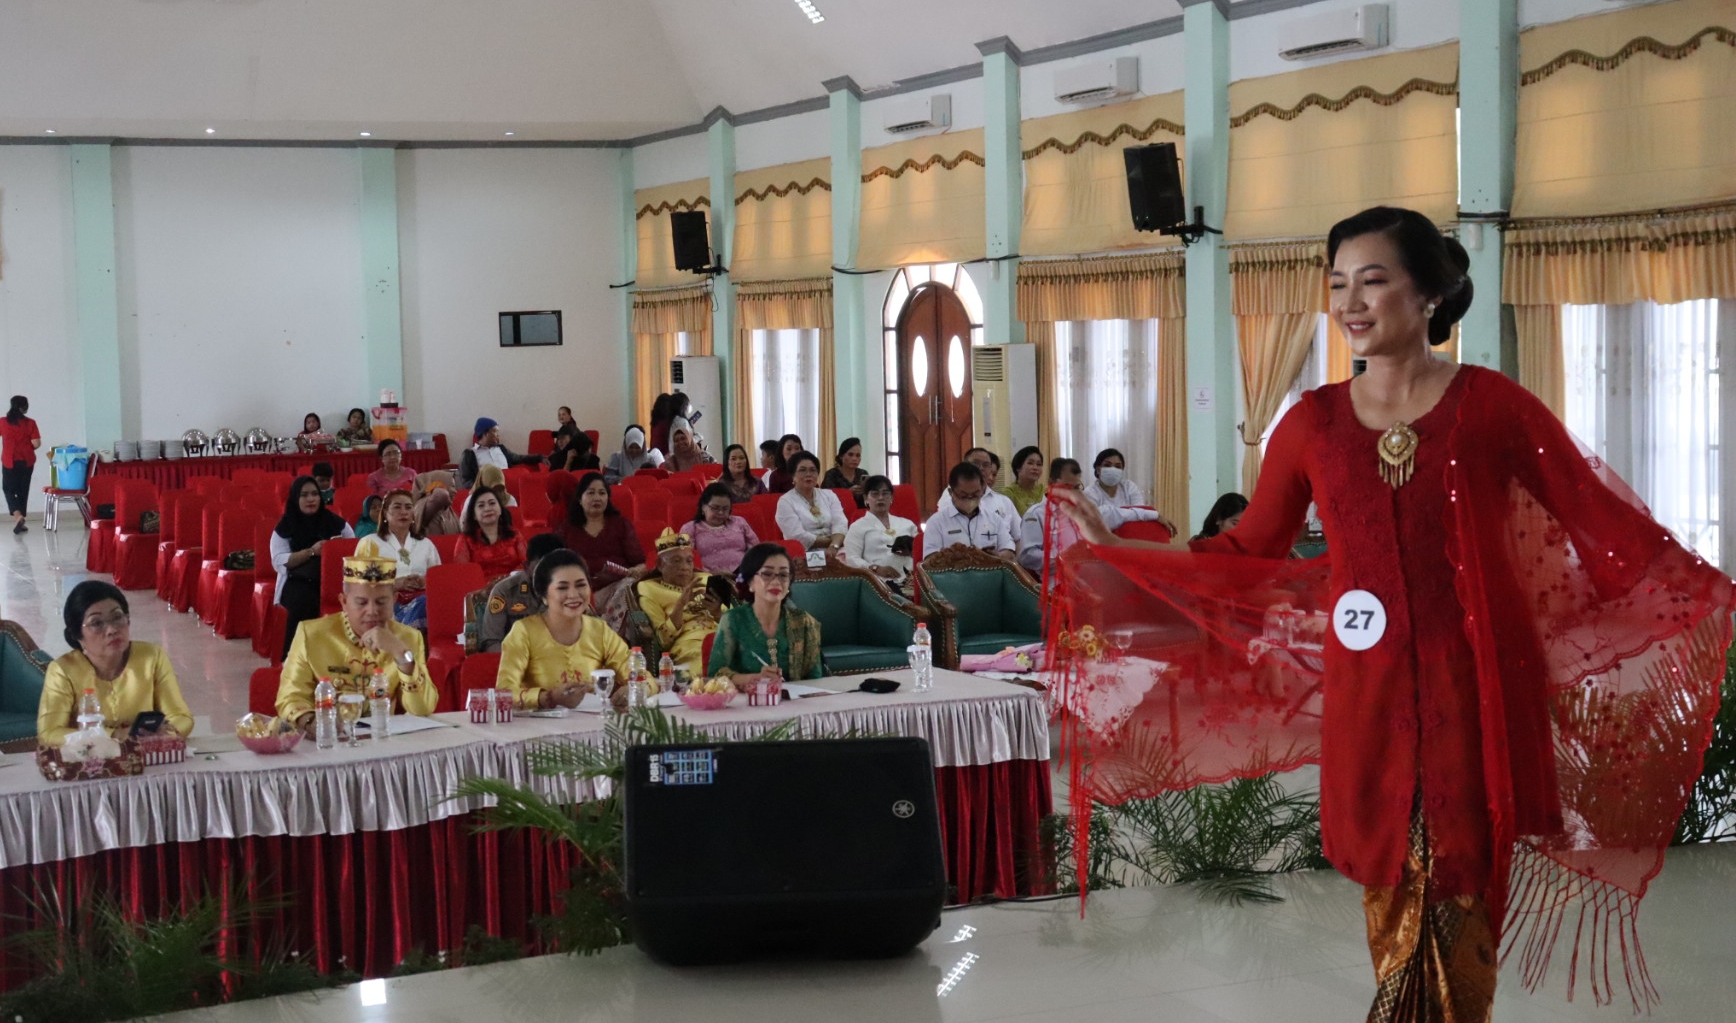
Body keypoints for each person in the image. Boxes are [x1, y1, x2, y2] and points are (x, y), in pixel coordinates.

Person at [1048, 205, 1736, 1022]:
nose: (1350, 302)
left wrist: (1709, 590)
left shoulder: (1493, 406)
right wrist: (1116, 545)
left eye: (1373, 281)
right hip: (1367, 693)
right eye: (1338, 285)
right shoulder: (1309, 423)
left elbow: (1599, 521)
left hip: (1474, 689)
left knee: (1459, 880)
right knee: (1392, 879)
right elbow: (1246, 551)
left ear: (1433, 295)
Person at [276, 556, 439, 730]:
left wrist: (401, 654)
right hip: (326, 740)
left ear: (394, 600)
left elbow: (423, 709)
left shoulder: (408, 638)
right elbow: (290, 697)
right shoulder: (312, 634)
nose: (372, 611)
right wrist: (310, 722)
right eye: (361, 602)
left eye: (381, 602)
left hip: (381, 742)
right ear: (344, 602)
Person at [38, 582, 194, 745]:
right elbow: (49, 733)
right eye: (97, 623)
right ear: (77, 635)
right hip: (89, 762)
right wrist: (114, 735)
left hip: (145, 756)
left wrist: (164, 734)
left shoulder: (151, 657)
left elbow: (181, 717)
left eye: (118, 617)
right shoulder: (63, 670)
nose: (112, 629)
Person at [496, 550, 633, 711]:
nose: (574, 595)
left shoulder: (600, 630)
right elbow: (503, 694)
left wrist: (632, 690)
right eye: (562, 588)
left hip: (592, 726)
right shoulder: (524, 631)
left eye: (581, 585)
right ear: (544, 596)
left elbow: (643, 677)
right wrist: (547, 698)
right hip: (539, 729)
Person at [707, 543, 824, 684]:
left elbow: (816, 679)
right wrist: (754, 679)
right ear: (750, 582)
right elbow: (715, 675)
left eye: (783, 575)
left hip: (795, 702)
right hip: (746, 702)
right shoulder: (734, 619)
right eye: (767, 574)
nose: (776, 582)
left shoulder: (804, 621)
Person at [270, 475, 355, 659]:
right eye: (305, 495)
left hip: (335, 580)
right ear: (295, 499)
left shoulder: (336, 523)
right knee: (304, 602)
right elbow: (278, 561)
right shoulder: (284, 527)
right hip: (299, 581)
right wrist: (311, 552)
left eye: (315, 494)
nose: (311, 499)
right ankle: (296, 660)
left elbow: (353, 549)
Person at [635, 529, 728, 675]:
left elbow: (736, 623)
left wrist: (717, 613)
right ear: (660, 565)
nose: (684, 566)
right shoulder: (649, 588)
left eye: (689, 560)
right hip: (689, 644)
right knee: (710, 669)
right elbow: (662, 641)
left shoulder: (707, 579)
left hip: (721, 636)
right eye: (676, 561)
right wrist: (680, 605)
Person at [355, 488, 441, 629]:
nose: (403, 512)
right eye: (397, 507)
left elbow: (438, 581)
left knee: (428, 603)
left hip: (422, 601)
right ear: (385, 514)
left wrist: (424, 582)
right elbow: (358, 586)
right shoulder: (369, 543)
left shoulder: (426, 544)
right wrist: (394, 585)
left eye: (408, 507)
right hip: (384, 604)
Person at [558, 471, 646, 605]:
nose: (597, 498)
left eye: (602, 493)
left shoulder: (620, 524)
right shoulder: (566, 529)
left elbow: (640, 564)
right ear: (580, 499)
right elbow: (555, 564)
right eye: (591, 493)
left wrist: (634, 571)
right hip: (578, 591)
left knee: (631, 587)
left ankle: (633, 624)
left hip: (618, 590)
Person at [477, 532, 565, 654]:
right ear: (526, 566)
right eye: (541, 568)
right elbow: (491, 642)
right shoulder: (504, 591)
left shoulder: (572, 592)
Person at [923, 462, 1014, 560]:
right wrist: (955, 556)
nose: (970, 499)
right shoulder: (936, 522)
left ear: (982, 490)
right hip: (952, 574)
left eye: (975, 495)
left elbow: (1009, 551)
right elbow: (930, 560)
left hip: (989, 571)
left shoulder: (994, 519)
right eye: (964, 496)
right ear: (951, 492)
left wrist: (997, 556)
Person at [844, 475, 918, 588]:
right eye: (875, 494)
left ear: (891, 497)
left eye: (885, 493)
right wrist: (875, 568)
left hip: (910, 581)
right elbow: (852, 559)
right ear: (866, 498)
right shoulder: (858, 526)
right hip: (876, 584)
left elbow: (921, 553)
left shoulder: (907, 524)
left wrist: (910, 550)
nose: (880, 498)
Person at [935, 449, 1021, 541]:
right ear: (965, 466)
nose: (981, 468)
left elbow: (1019, 537)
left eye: (986, 465)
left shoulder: (1004, 502)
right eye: (976, 464)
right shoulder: (952, 496)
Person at [775, 451, 848, 554]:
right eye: (802, 470)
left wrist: (834, 546)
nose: (808, 474)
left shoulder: (829, 495)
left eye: (813, 470)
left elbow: (840, 524)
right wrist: (831, 543)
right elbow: (797, 536)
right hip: (804, 553)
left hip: (837, 549)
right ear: (793, 475)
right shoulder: (785, 502)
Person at [680, 483, 759, 576]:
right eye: (715, 508)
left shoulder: (739, 522)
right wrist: (711, 574)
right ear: (703, 507)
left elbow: (756, 549)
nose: (721, 513)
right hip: (707, 578)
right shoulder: (690, 528)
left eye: (725, 509)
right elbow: (686, 560)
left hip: (743, 575)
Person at [455, 485, 526, 584]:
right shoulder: (466, 539)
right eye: (481, 505)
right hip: (480, 591)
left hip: (513, 587)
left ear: (500, 509)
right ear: (474, 515)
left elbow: (526, 563)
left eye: (492, 503)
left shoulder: (514, 534)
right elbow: (463, 572)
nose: (487, 508)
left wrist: (508, 580)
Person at [457, 417, 540, 489]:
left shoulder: (502, 449)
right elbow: (466, 481)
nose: (498, 435)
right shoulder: (469, 455)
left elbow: (520, 458)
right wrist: (483, 488)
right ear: (485, 434)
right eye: (495, 431)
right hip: (486, 494)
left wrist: (539, 458)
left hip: (508, 490)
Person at [0, 396, 41, 534]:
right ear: (24, 407)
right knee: (23, 490)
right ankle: (21, 517)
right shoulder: (30, 423)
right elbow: (36, 443)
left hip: (9, 461)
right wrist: (27, 448)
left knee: (8, 489)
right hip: (26, 461)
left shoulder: (3, 422)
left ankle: (18, 516)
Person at [819, 437, 870, 507]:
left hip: (860, 513)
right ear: (841, 456)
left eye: (858, 455)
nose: (855, 458)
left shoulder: (862, 473)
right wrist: (847, 493)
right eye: (850, 455)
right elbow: (826, 498)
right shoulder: (832, 474)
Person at [1000, 445, 1047, 518]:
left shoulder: (1045, 491)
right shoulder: (1008, 494)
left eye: (1039, 464)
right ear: (1018, 467)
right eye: (1030, 463)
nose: (1035, 468)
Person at [550, 407, 596, 472]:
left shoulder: (572, 429)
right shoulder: (563, 429)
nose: (561, 417)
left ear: (569, 416)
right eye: (559, 415)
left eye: (563, 414)